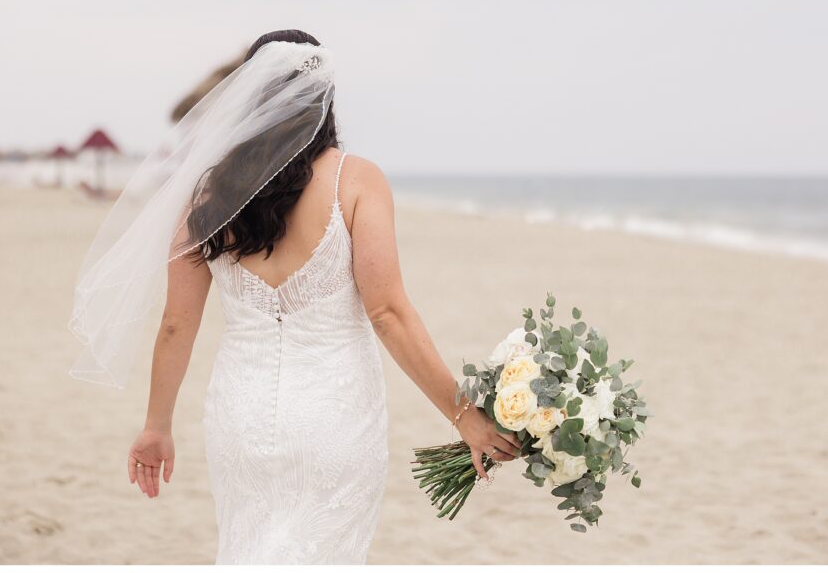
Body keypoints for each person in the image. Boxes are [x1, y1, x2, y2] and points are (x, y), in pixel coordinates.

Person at [73, 30, 521, 564]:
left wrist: (156, 427)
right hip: (336, 417)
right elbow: (388, 313)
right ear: (326, 98)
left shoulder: (208, 195)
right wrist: (464, 415)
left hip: (239, 418)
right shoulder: (357, 180)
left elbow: (176, 325)